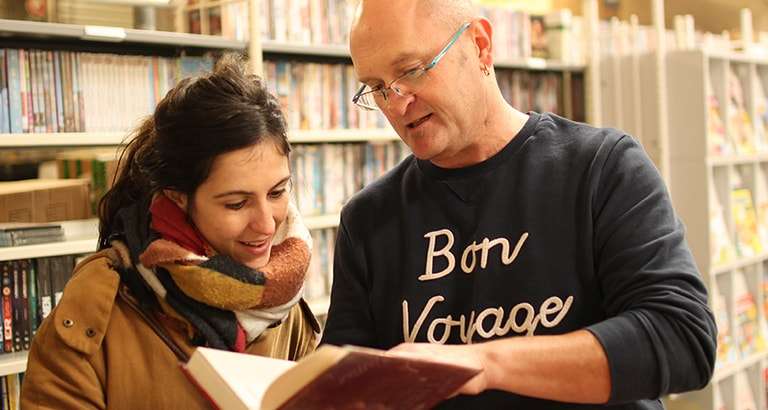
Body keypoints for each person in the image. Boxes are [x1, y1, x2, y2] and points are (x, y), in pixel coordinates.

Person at [320, 0, 717, 408]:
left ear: (480, 45)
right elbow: (344, 387)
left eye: (411, 71)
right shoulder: (368, 219)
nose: (396, 105)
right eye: (377, 87)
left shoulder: (602, 166)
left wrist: (482, 363)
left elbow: (682, 338)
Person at [21, 55, 319, 409]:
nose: (267, 224)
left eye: (277, 192)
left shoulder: (284, 292)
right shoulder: (98, 310)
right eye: (236, 204)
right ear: (179, 198)